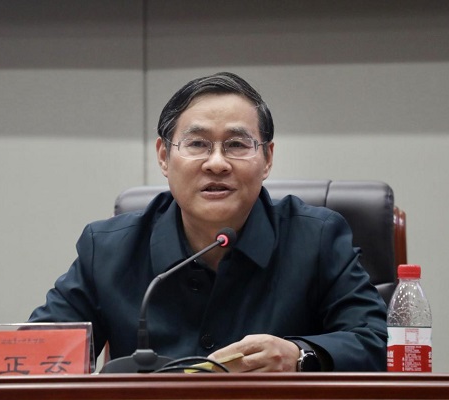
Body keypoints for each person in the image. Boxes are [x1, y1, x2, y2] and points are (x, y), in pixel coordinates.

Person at [29, 72, 387, 372]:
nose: (217, 163)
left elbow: (379, 343)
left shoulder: (317, 239)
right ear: (164, 157)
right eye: (198, 144)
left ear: (267, 158)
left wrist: (300, 355)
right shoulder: (107, 249)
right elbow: (37, 357)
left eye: (237, 145)